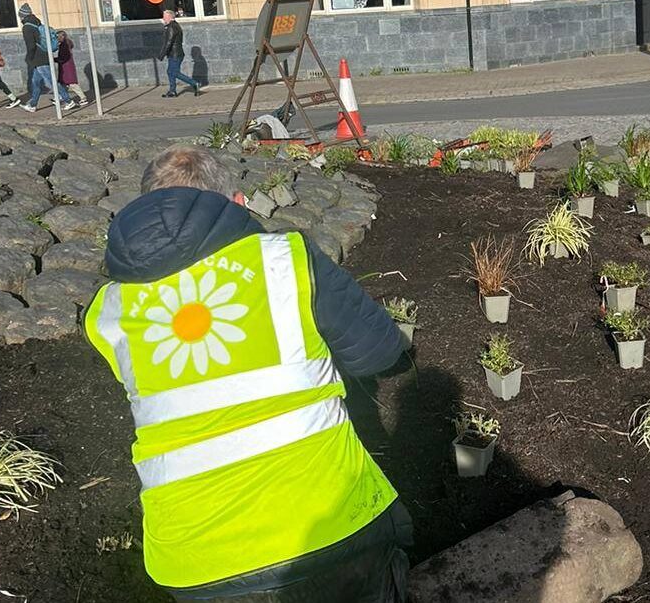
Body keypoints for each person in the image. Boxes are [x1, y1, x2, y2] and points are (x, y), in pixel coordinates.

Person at [82, 145, 413, 602]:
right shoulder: (284, 260)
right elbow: (380, 352)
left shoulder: (108, 311)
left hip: (193, 565)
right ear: (237, 203)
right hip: (332, 533)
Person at [19, 3, 76, 113]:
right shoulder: (37, 23)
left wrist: (29, 58)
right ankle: (32, 105)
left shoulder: (27, 27)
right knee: (36, 82)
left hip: (38, 58)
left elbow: (31, 45)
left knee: (51, 81)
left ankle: (68, 101)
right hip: (44, 55)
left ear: (22, 16)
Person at [158, 10, 201, 98]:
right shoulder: (174, 25)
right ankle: (172, 91)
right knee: (170, 72)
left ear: (170, 17)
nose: (163, 18)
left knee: (175, 73)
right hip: (175, 53)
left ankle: (194, 83)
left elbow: (169, 42)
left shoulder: (171, 27)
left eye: (165, 17)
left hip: (175, 54)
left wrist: (162, 54)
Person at [55, 30, 90, 106]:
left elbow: (64, 57)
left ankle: (83, 98)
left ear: (61, 36)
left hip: (66, 66)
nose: (56, 38)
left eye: (57, 37)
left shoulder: (64, 45)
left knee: (71, 83)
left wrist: (55, 59)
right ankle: (60, 97)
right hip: (66, 65)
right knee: (63, 83)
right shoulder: (65, 44)